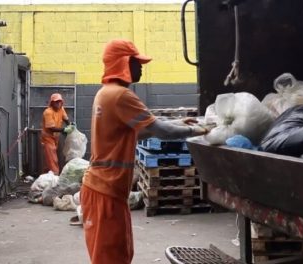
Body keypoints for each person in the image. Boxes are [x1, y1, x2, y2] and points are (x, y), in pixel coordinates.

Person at [80, 39, 209, 264]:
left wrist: (179, 121)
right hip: (106, 190)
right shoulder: (121, 96)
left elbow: (139, 132)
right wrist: (198, 130)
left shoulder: (105, 93)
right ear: (123, 63)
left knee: (117, 255)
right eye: (136, 62)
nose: (140, 67)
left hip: (105, 189)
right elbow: (161, 131)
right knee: (111, 258)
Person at [41, 93, 74, 176]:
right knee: (53, 159)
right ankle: (55, 177)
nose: (58, 103)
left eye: (60, 101)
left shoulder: (61, 109)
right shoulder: (48, 112)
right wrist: (64, 129)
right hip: (48, 138)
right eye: (56, 102)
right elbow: (51, 128)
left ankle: (46, 177)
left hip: (55, 138)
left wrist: (71, 125)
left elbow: (66, 119)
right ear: (52, 103)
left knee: (49, 159)